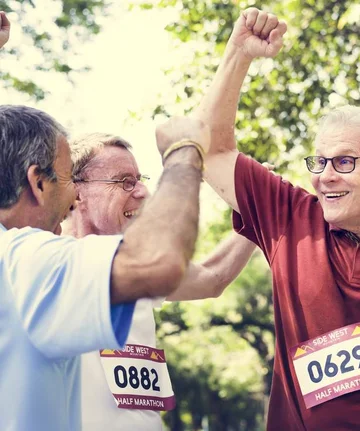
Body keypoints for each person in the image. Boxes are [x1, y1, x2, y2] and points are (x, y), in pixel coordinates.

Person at [186, 8, 360, 430]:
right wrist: (238, 53)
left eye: (345, 161)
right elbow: (213, 150)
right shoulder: (291, 217)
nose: (324, 176)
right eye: (320, 161)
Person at [0, 15, 209, 429]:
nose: (73, 196)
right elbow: (158, 260)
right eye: (64, 179)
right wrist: (184, 155)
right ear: (37, 183)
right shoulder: (28, 262)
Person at [61, 132, 256, 431]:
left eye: (140, 179)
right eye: (125, 181)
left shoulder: (136, 265)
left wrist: (260, 213)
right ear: (76, 192)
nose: (143, 192)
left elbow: (212, 277)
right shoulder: (47, 265)